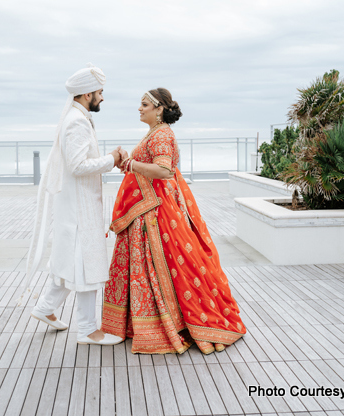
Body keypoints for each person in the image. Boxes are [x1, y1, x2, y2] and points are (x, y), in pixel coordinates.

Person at [101, 88, 246, 354]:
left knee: (161, 266)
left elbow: (165, 171)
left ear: (159, 109)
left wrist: (131, 164)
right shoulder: (156, 133)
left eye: (144, 104)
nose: (139, 108)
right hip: (151, 208)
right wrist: (129, 162)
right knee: (155, 267)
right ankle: (143, 323)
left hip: (155, 213)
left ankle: (166, 325)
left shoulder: (162, 134)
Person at [25, 63, 126, 346]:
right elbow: (78, 165)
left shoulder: (74, 117)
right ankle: (87, 330)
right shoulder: (77, 121)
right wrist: (112, 159)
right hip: (81, 209)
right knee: (86, 266)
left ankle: (44, 308)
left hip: (77, 205)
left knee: (70, 261)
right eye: (100, 92)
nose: (102, 98)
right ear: (86, 94)